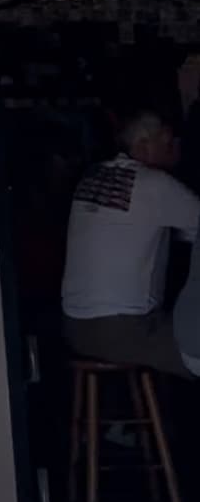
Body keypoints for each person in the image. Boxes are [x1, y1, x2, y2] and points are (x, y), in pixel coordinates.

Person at [61, 109, 200, 375]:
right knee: (194, 348)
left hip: (74, 327)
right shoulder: (156, 184)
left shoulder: (92, 176)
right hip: (126, 330)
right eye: (168, 143)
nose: (175, 150)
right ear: (143, 146)